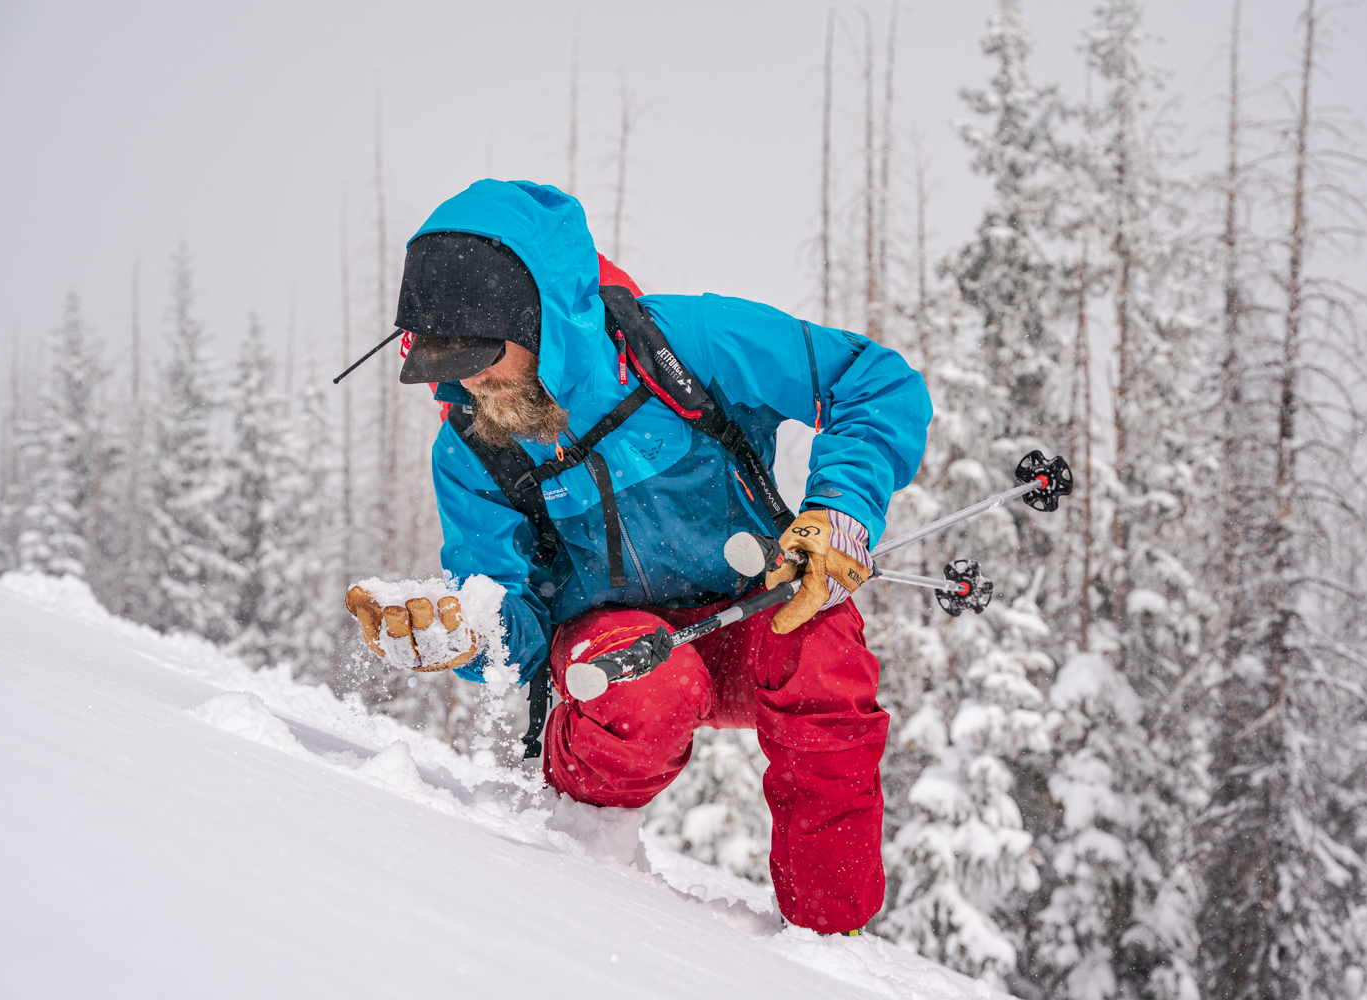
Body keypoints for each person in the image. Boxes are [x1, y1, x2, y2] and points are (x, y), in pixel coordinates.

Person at [345, 178, 931, 934]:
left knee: (822, 652)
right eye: (442, 358)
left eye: (480, 352)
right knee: (645, 687)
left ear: (544, 316)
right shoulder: (471, 449)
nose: (467, 379)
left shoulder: (688, 345)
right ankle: (578, 861)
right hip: (615, 651)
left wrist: (841, 509)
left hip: (752, 608)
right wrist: (471, 630)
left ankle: (830, 939)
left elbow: (872, 380)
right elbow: (512, 610)